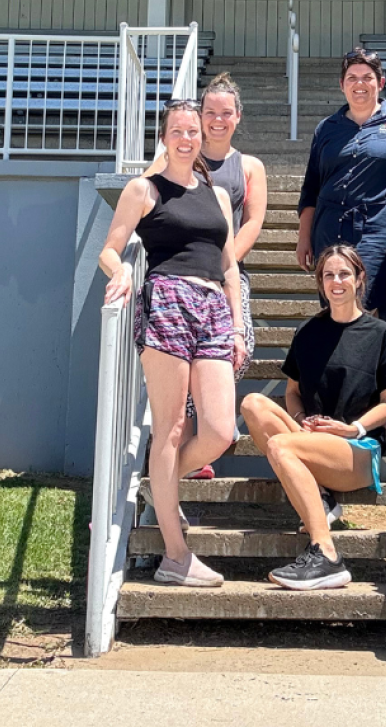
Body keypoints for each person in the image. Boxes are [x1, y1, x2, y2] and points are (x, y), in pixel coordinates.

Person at [99, 100, 247, 587]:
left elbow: (227, 266)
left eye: (194, 131)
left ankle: (158, 487)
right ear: (164, 138)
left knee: (221, 430)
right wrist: (119, 270)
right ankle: (176, 556)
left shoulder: (218, 195)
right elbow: (110, 249)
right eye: (177, 131)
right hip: (166, 299)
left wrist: (238, 322)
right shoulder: (144, 189)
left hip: (214, 310)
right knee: (171, 426)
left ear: (204, 136)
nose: (187, 138)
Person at [240, 245, 386, 591]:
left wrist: (353, 427)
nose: (336, 281)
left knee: (281, 448)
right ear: (320, 282)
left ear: (359, 279)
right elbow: (292, 392)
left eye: (344, 274)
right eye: (328, 275)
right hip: (315, 441)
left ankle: (326, 554)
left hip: (357, 448)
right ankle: (321, 497)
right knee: (253, 404)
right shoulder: (308, 331)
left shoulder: (380, 333)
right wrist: (301, 419)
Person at [146, 72, 269, 477]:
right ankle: (185, 449)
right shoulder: (177, 156)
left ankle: (190, 449)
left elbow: (252, 222)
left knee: (238, 349)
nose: (218, 119)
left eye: (226, 113)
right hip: (180, 282)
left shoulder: (249, 165)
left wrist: (223, 261)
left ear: (238, 117)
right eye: (210, 112)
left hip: (226, 277)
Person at [297, 47, 386, 325]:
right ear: (342, 85)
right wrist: (303, 236)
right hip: (329, 228)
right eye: (352, 77)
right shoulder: (326, 128)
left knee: (363, 299)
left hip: (378, 228)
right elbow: (312, 186)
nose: (360, 84)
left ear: (380, 83)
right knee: (337, 302)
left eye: (367, 77)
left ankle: (372, 365)